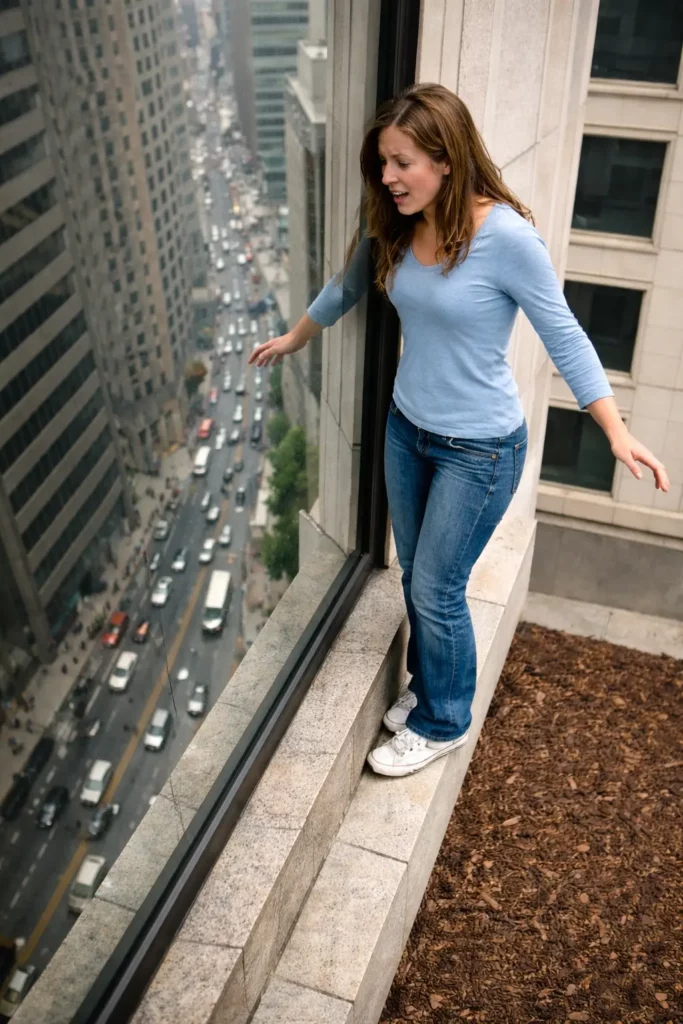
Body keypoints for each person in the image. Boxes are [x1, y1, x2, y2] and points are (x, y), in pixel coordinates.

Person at [248, 83, 669, 780]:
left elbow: (564, 336)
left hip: (480, 451)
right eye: (383, 162)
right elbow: (346, 287)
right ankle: (427, 689)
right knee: (419, 575)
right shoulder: (394, 223)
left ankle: (443, 721)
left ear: (445, 160)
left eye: (402, 162)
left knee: (438, 588)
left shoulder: (506, 239)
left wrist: (614, 432)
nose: (388, 177)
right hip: (405, 430)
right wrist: (294, 338)